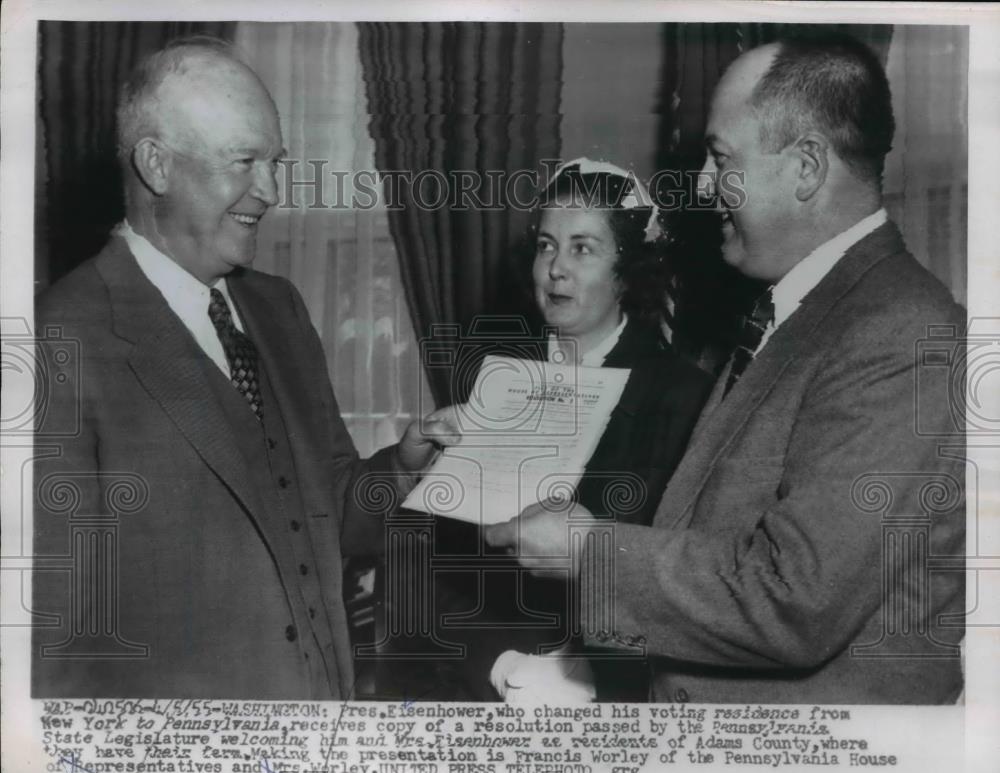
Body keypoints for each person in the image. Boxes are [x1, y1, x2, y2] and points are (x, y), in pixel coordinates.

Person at [485, 34, 966, 704]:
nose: (704, 187)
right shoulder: (797, 312)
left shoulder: (901, 328)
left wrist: (585, 553)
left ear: (805, 167)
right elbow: (711, 549)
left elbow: (796, 601)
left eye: (720, 161)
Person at [31, 38, 458, 700]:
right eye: (244, 163)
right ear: (156, 165)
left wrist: (401, 468)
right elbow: (50, 640)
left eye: (275, 163)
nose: (271, 191)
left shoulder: (278, 308)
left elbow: (333, 513)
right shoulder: (60, 336)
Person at [443, 159, 712, 701]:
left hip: (622, 697)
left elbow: (687, 576)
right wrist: (498, 666)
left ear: (626, 269)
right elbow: (441, 562)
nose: (555, 269)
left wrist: (585, 676)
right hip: (488, 691)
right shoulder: (494, 377)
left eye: (582, 249)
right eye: (546, 245)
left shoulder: (684, 397)